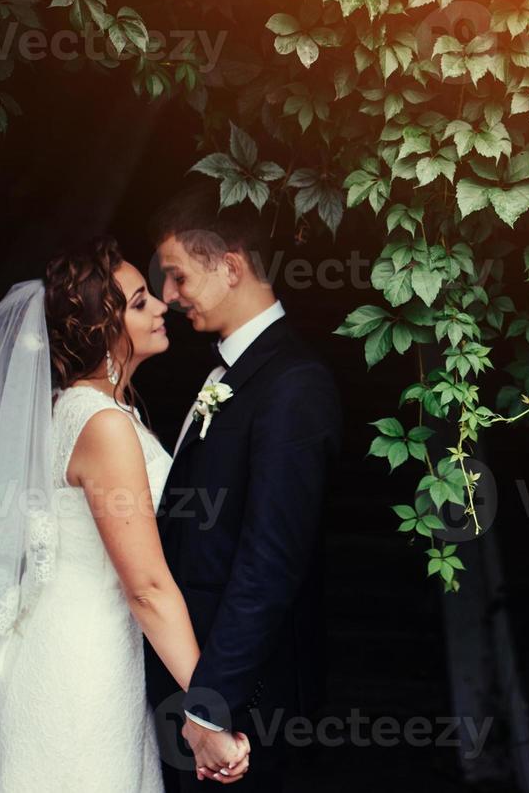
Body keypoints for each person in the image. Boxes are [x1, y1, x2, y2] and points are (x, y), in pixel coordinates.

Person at [0, 237, 249, 793]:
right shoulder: (102, 425)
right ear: (103, 327)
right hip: (80, 669)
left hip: (81, 649)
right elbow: (145, 586)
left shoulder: (83, 411)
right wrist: (208, 708)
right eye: (141, 301)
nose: (162, 306)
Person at [146, 184, 341, 792]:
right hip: (198, 689)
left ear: (229, 267)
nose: (169, 296)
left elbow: (270, 561)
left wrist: (210, 706)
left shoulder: (293, 384)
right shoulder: (230, 373)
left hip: (247, 705)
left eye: (177, 277)